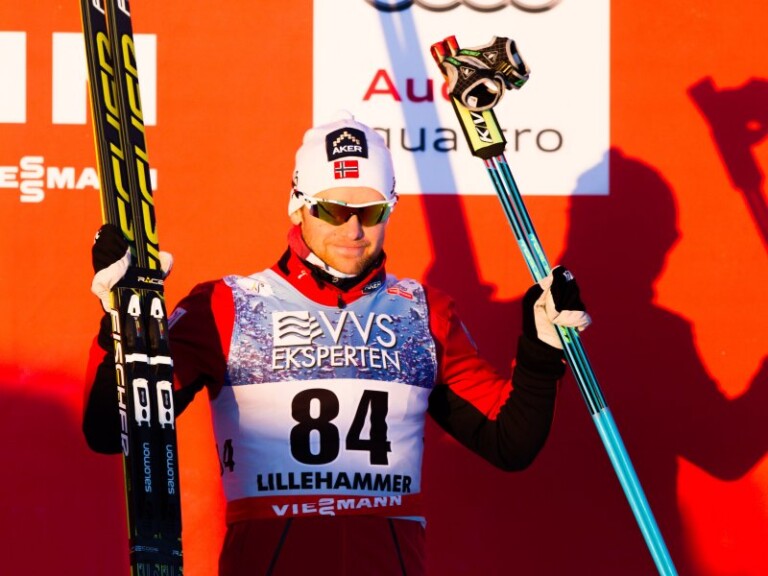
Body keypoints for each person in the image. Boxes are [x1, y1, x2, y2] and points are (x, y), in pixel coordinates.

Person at [83, 112, 591, 576]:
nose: (353, 230)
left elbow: (508, 442)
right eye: (332, 209)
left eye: (371, 212)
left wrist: (542, 347)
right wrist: (120, 323)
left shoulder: (421, 312)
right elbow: (110, 427)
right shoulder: (226, 304)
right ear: (298, 205)